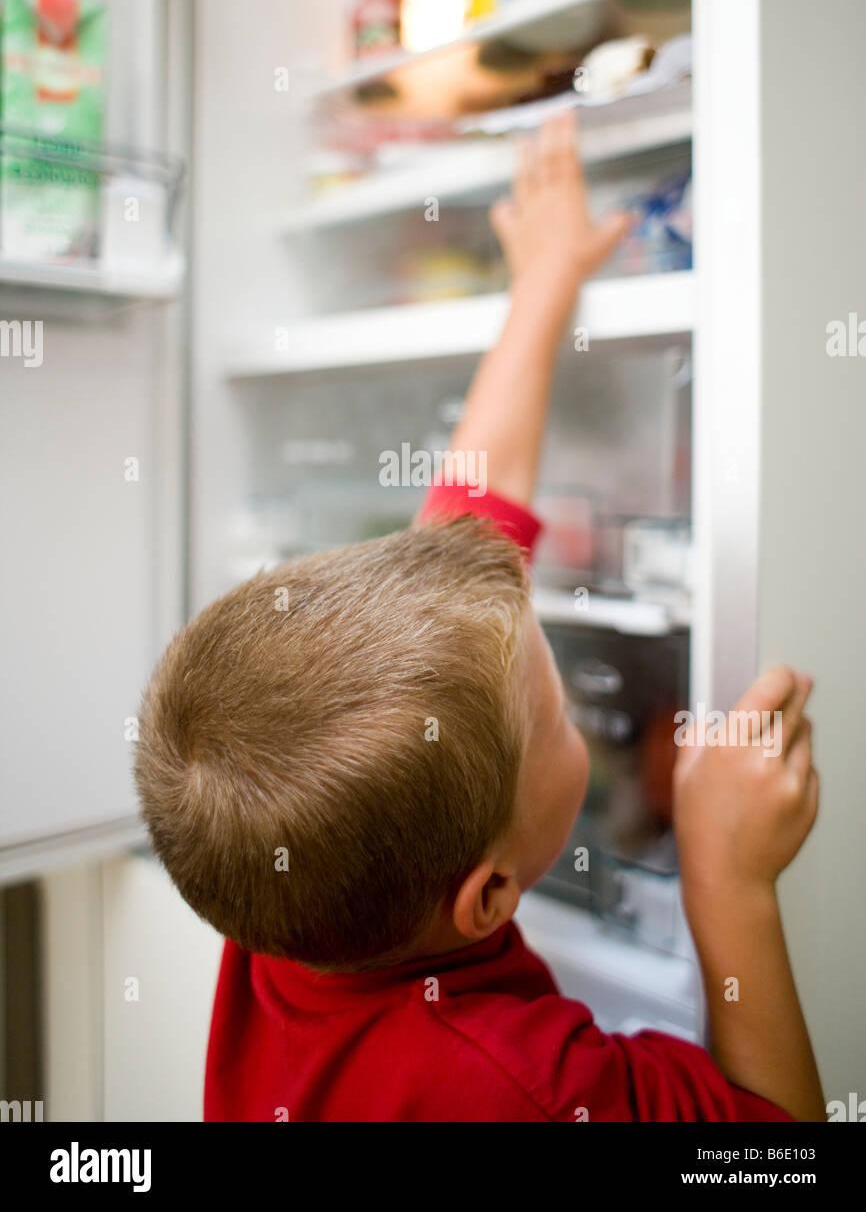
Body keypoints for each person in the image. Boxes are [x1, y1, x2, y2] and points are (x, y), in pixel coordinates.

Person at [136, 112, 824, 1122]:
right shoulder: (521, 1088)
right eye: (554, 715)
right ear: (489, 896)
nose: (570, 715)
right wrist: (729, 883)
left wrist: (543, 281)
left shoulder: (284, 893)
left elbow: (466, 525)